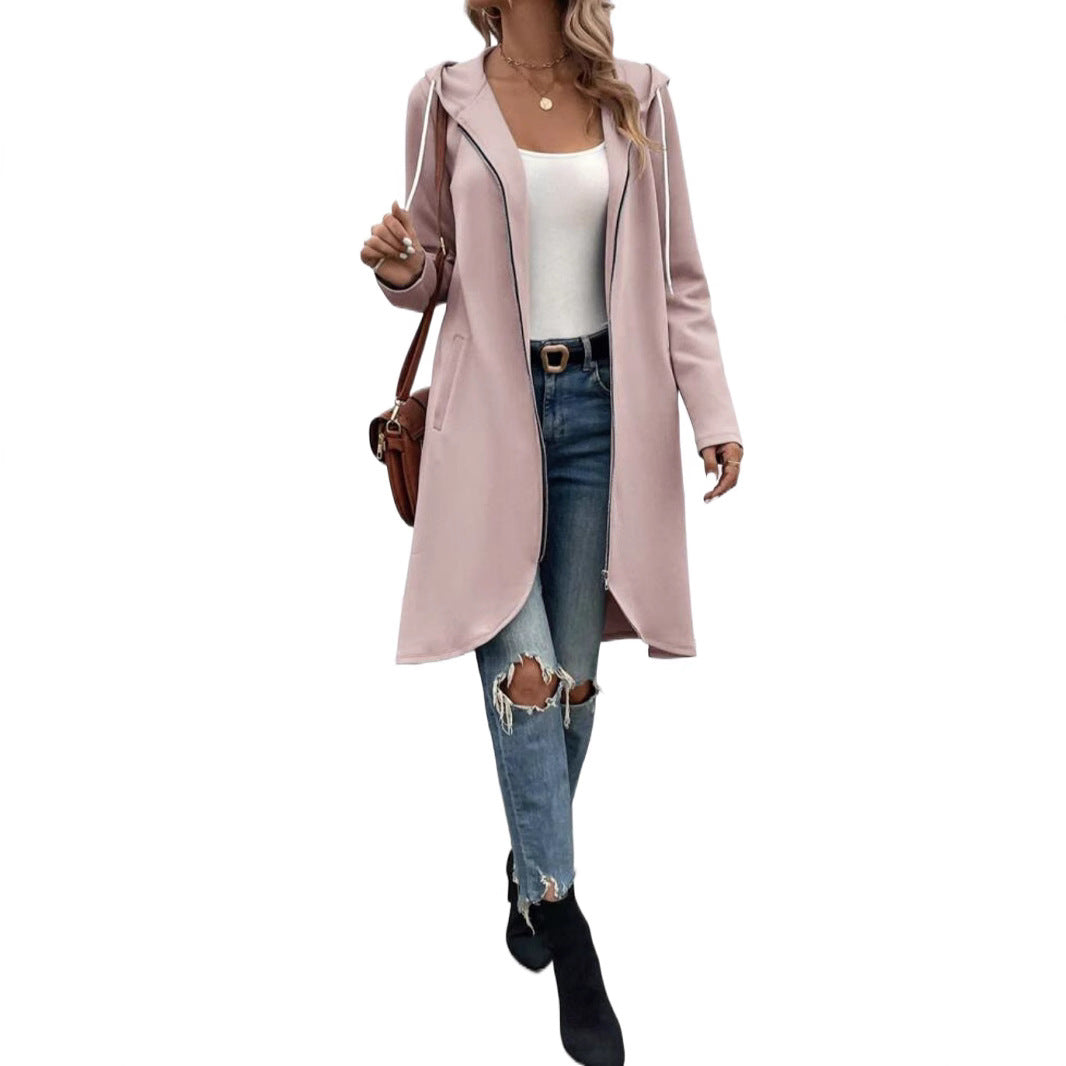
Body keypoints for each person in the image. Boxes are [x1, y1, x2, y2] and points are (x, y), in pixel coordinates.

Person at [362, 2, 743, 1062]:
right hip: (489, 419)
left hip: (603, 421)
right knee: (524, 680)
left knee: (571, 685)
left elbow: (680, 281)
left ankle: (527, 872)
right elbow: (432, 270)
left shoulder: (640, 95)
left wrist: (713, 411)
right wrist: (397, 266)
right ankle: (566, 924)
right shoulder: (443, 99)